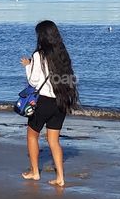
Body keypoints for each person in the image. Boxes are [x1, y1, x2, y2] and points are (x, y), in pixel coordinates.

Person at [20, 20, 79, 187]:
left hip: (43, 101)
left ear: (42, 36)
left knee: (32, 135)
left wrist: (28, 66)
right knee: (54, 140)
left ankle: (35, 172)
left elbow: (33, 81)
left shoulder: (39, 55)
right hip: (60, 101)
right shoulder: (62, 53)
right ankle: (60, 177)